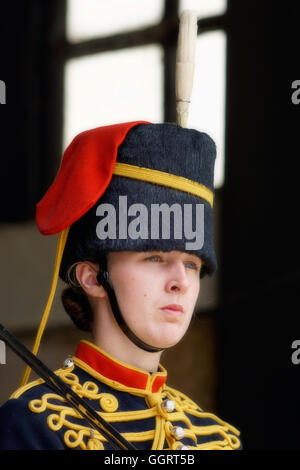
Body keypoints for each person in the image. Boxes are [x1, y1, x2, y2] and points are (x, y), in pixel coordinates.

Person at [0, 121, 241, 450]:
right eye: (155, 258)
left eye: (192, 264)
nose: (181, 282)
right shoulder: (33, 425)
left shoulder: (218, 440)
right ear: (92, 277)